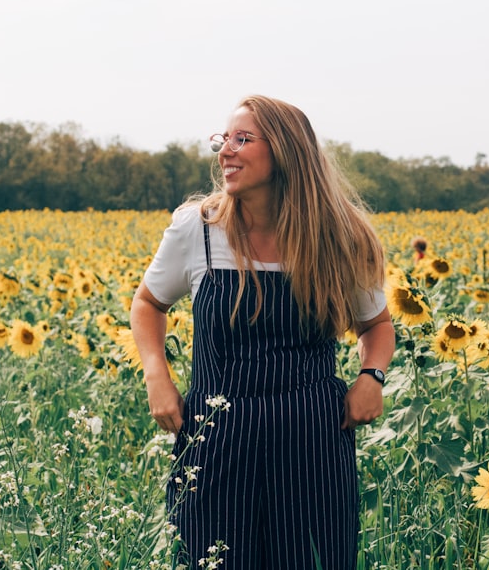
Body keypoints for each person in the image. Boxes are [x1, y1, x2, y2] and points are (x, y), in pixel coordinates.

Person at [130, 95, 395, 570]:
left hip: (311, 439)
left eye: (242, 139)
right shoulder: (199, 228)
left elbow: (376, 324)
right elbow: (148, 303)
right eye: (224, 139)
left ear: (287, 152)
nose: (225, 150)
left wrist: (370, 377)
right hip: (216, 438)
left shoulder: (339, 235)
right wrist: (157, 374)